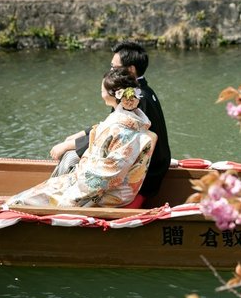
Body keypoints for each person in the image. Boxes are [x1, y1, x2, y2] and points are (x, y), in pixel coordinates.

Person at [5, 67, 157, 207]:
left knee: (21, 201)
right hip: (94, 182)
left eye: (102, 87)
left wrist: (71, 193)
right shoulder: (125, 122)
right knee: (39, 191)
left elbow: (108, 175)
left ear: (113, 93)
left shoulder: (123, 131)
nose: (100, 91)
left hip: (106, 193)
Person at [50, 41, 171, 199]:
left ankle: (55, 197)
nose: (110, 71)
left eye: (114, 68)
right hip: (151, 163)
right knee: (74, 155)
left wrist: (67, 145)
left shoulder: (135, 98)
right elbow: (111, 125)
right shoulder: (140, 91)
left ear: (130, 69)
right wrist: (80, 134)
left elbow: (114, 135)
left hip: (146, 173)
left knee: (70, 157)